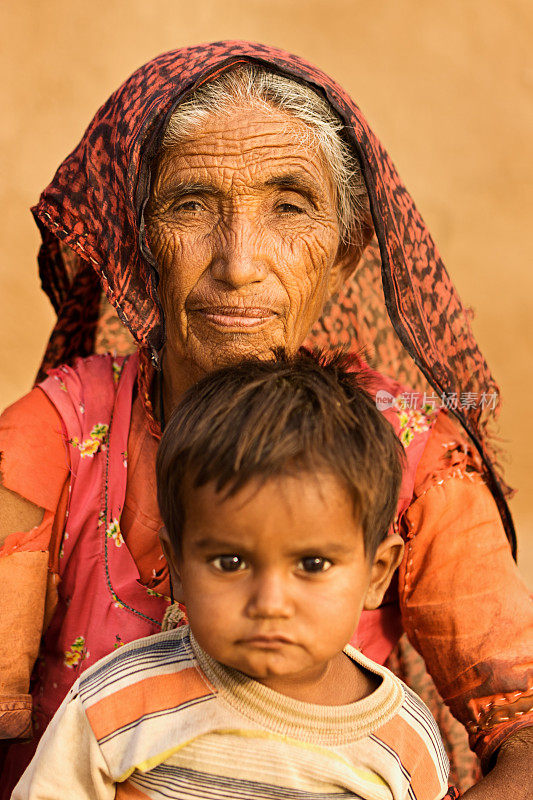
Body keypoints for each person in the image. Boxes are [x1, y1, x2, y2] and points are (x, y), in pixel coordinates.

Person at [0, 42, 531, 798]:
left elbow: (526, 726)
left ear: (344, 258)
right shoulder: (53, 434)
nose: (239, 262)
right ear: (141, 245)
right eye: (190, 205)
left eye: (289, 207)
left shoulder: (410, 451)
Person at [13, 353, 457, 800]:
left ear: (376, 575)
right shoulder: (118, 701)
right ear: (180, 568)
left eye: (313, 565)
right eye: (230, 563)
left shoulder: (404, 744)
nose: (270, 602)